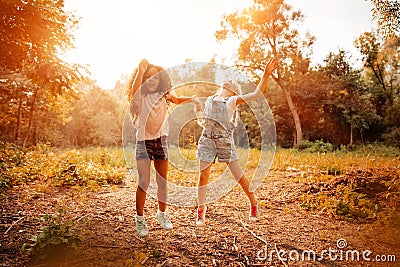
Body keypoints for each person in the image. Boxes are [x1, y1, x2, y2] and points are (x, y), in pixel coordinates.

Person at [194, 58, 278, 226]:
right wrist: (197, 107)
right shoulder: (210, 99)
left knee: (238, 176)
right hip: (207, 140)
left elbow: (256, 94)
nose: (229, 82)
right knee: (203, 176)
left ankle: (253, 203)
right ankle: (201, 209)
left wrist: (265, 75)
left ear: (233, 92)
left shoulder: (232, 101)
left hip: (224, 142)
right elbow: (203, 120)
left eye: (232, 84)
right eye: (227, 82)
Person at [127, 59, 196, 237]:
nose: (151, 80)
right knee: (144, 181)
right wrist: (141, 70)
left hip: (161, 141)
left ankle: (162, 214)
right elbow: (135, 90)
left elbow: (178, 99)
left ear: (161, 81)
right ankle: (140, 219)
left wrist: (193, 99)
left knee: (162, 181)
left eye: (155, 78)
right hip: (143, 142)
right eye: (148, 77)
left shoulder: (165, 95)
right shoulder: (141, 96)